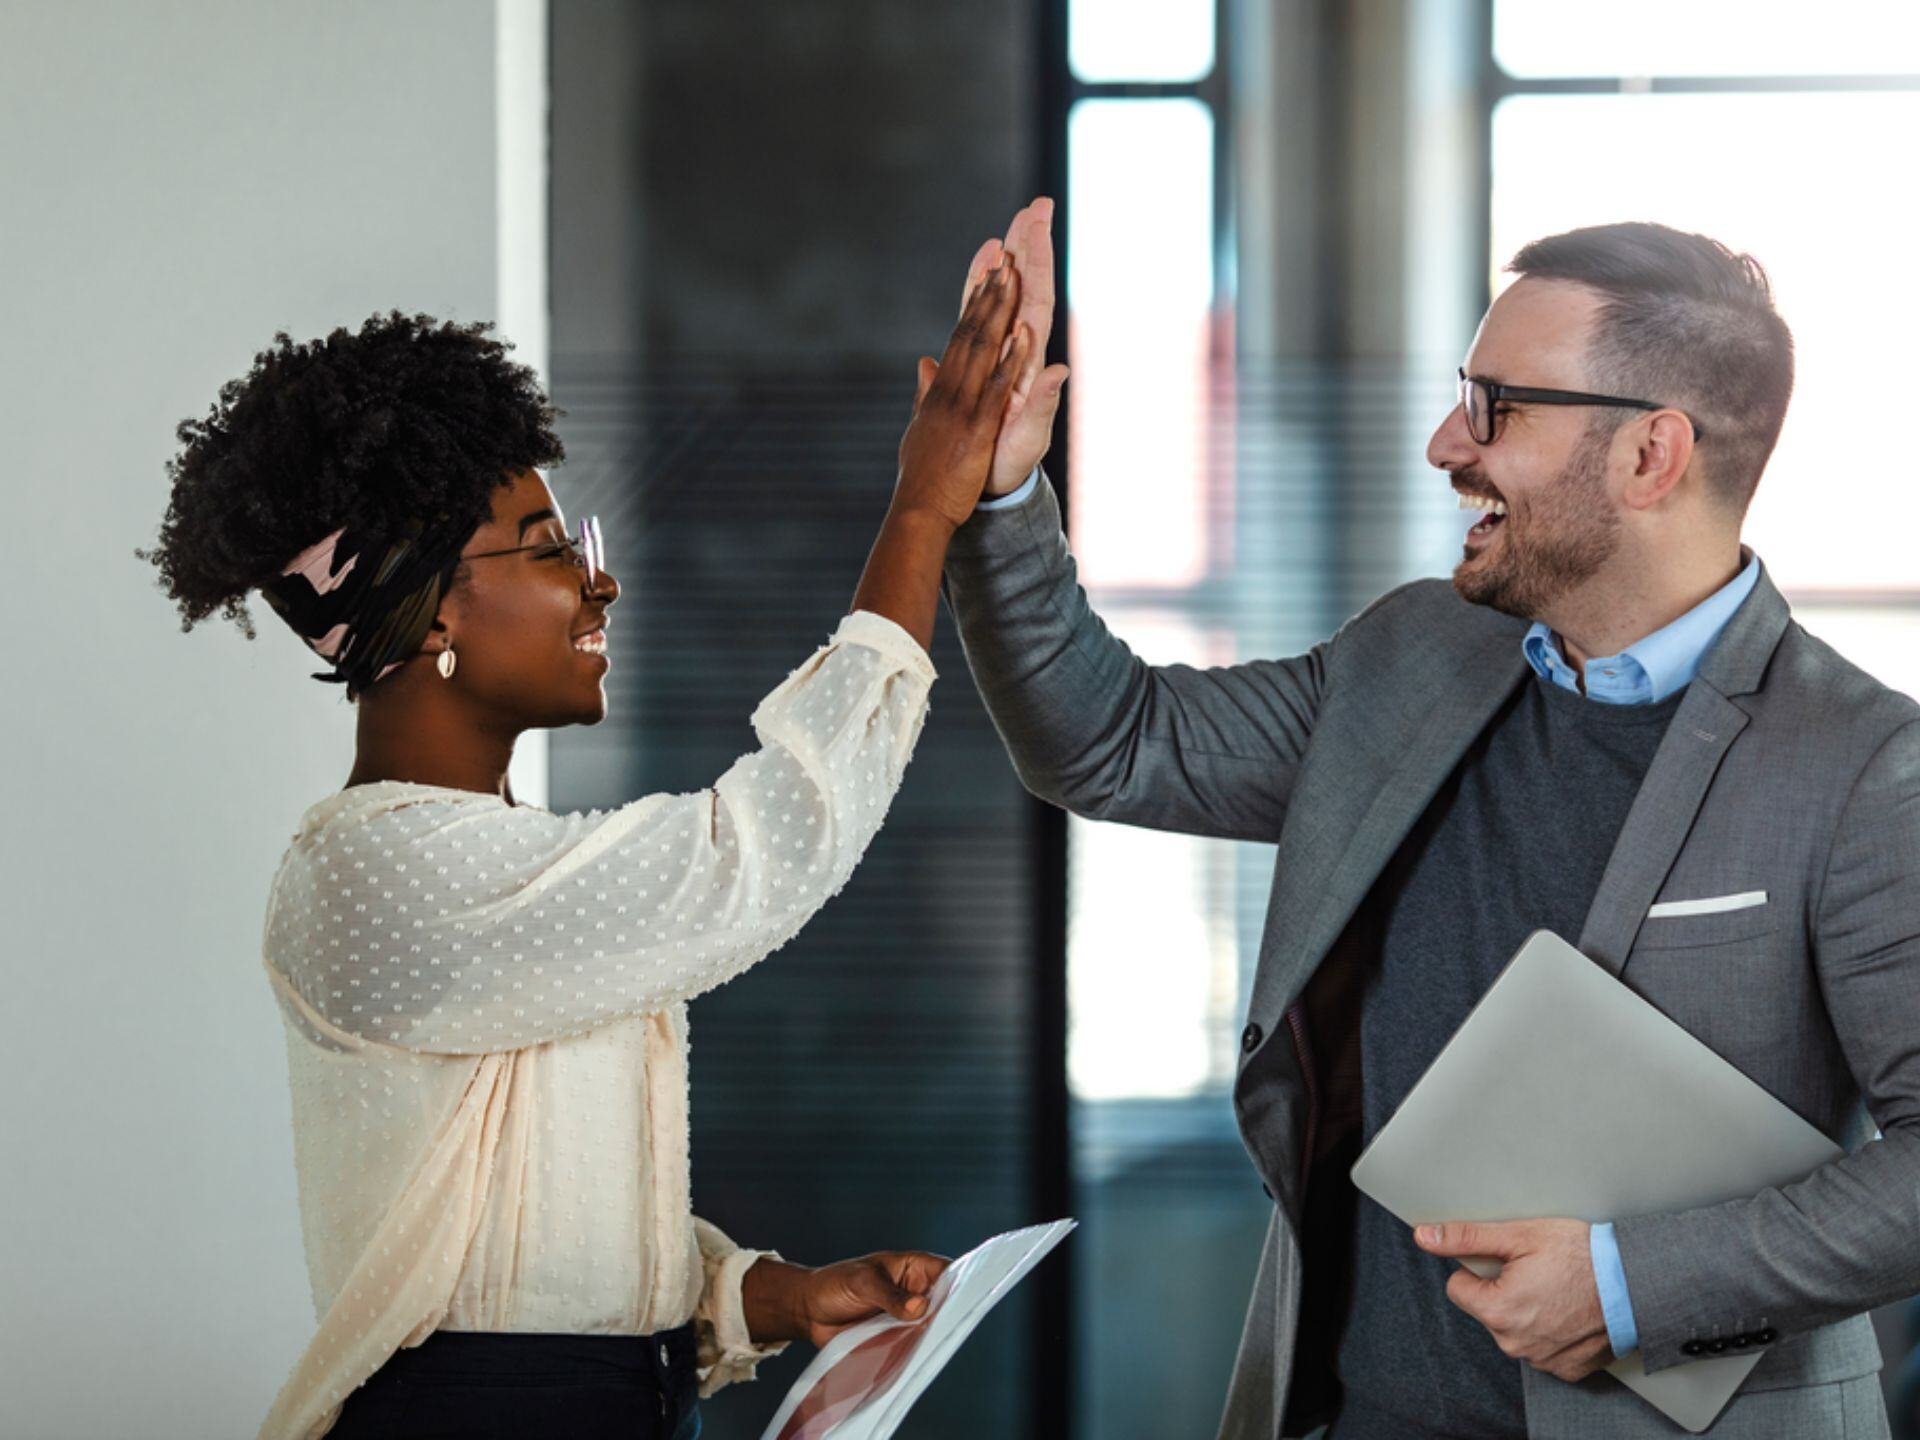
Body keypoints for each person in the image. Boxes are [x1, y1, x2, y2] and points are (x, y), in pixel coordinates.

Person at [942, 202, 1920, 1438]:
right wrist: (1001, 489)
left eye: (1497, 405)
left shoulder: (1863, 764)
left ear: (1650, 456)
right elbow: (1112, 741)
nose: (1445, 442)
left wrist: (1631, 1288)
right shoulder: (1413, 657)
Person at [136, 254, 1036, 1439]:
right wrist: (923, 508)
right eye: (547, 545)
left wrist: (763, 1296)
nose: (599, 581)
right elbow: (758, 852)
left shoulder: (493, 869)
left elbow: (545, 1235)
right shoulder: (375, 874)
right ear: (437, 607)